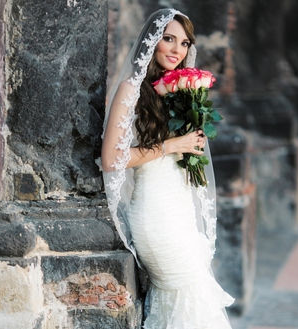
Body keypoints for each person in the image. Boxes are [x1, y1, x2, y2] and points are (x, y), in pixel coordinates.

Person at [99, 8, 234, 329]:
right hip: (155, 217)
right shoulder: (130, 90)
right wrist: (172, 145)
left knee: (188, 301)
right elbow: (111, 159)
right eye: (168, 39)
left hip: (182, 213)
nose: (177, 50)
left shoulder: (181, 92)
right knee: (190, 294)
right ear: (152, 41)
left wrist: (193, 142)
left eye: (185, 43)